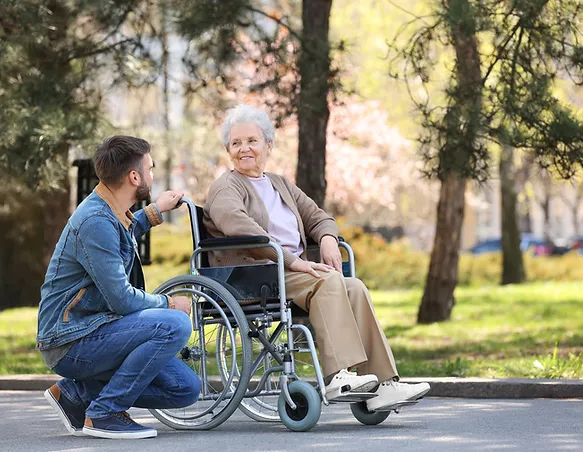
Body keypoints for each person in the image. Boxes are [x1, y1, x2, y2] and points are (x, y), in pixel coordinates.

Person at [203, 105, 430, 412]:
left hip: (290, 272)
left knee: (355, 287)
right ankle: (338, 376)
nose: (244, 149)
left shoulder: (280, 184)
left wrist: (327, 239)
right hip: (255, 275)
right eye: (236, 143)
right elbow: (239, 227)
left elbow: (317, 216)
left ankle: (384, 384)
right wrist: (292, 260)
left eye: (252, 141)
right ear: (228, 150)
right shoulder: (225, 187)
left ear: (268, 145)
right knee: (328, 282)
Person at [36, 136, 200, 439]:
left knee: (185, 389)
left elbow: (121, 234)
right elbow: (123, 300)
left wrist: (155, 211)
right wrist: (168, 303)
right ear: (134, 177)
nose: (152, 176)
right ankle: (104, 413)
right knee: (174, 324)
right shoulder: (95, 220)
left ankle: (76, 393)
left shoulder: (108, 212)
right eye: (149, 169)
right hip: (70, 340)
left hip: (95, 329)